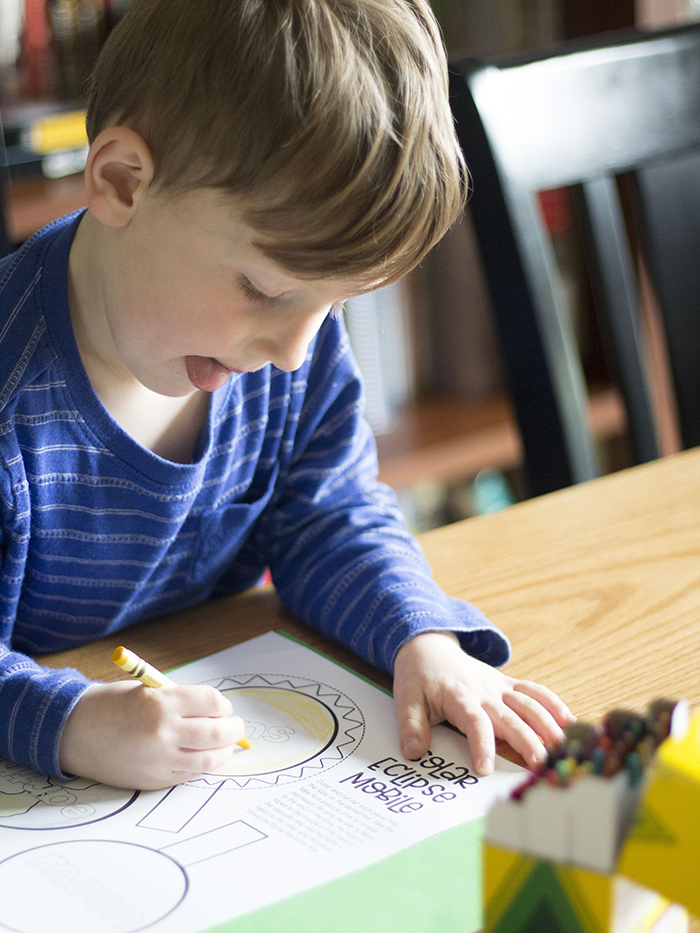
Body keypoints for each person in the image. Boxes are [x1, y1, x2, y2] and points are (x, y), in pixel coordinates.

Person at [0, 0, 574, 791]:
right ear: (121, 181)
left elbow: (328, 514)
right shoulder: (11, 396)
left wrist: (422, 638)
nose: (295, 350)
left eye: (335, 305)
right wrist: (68, 724)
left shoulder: (280, 348)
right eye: (264, 289)